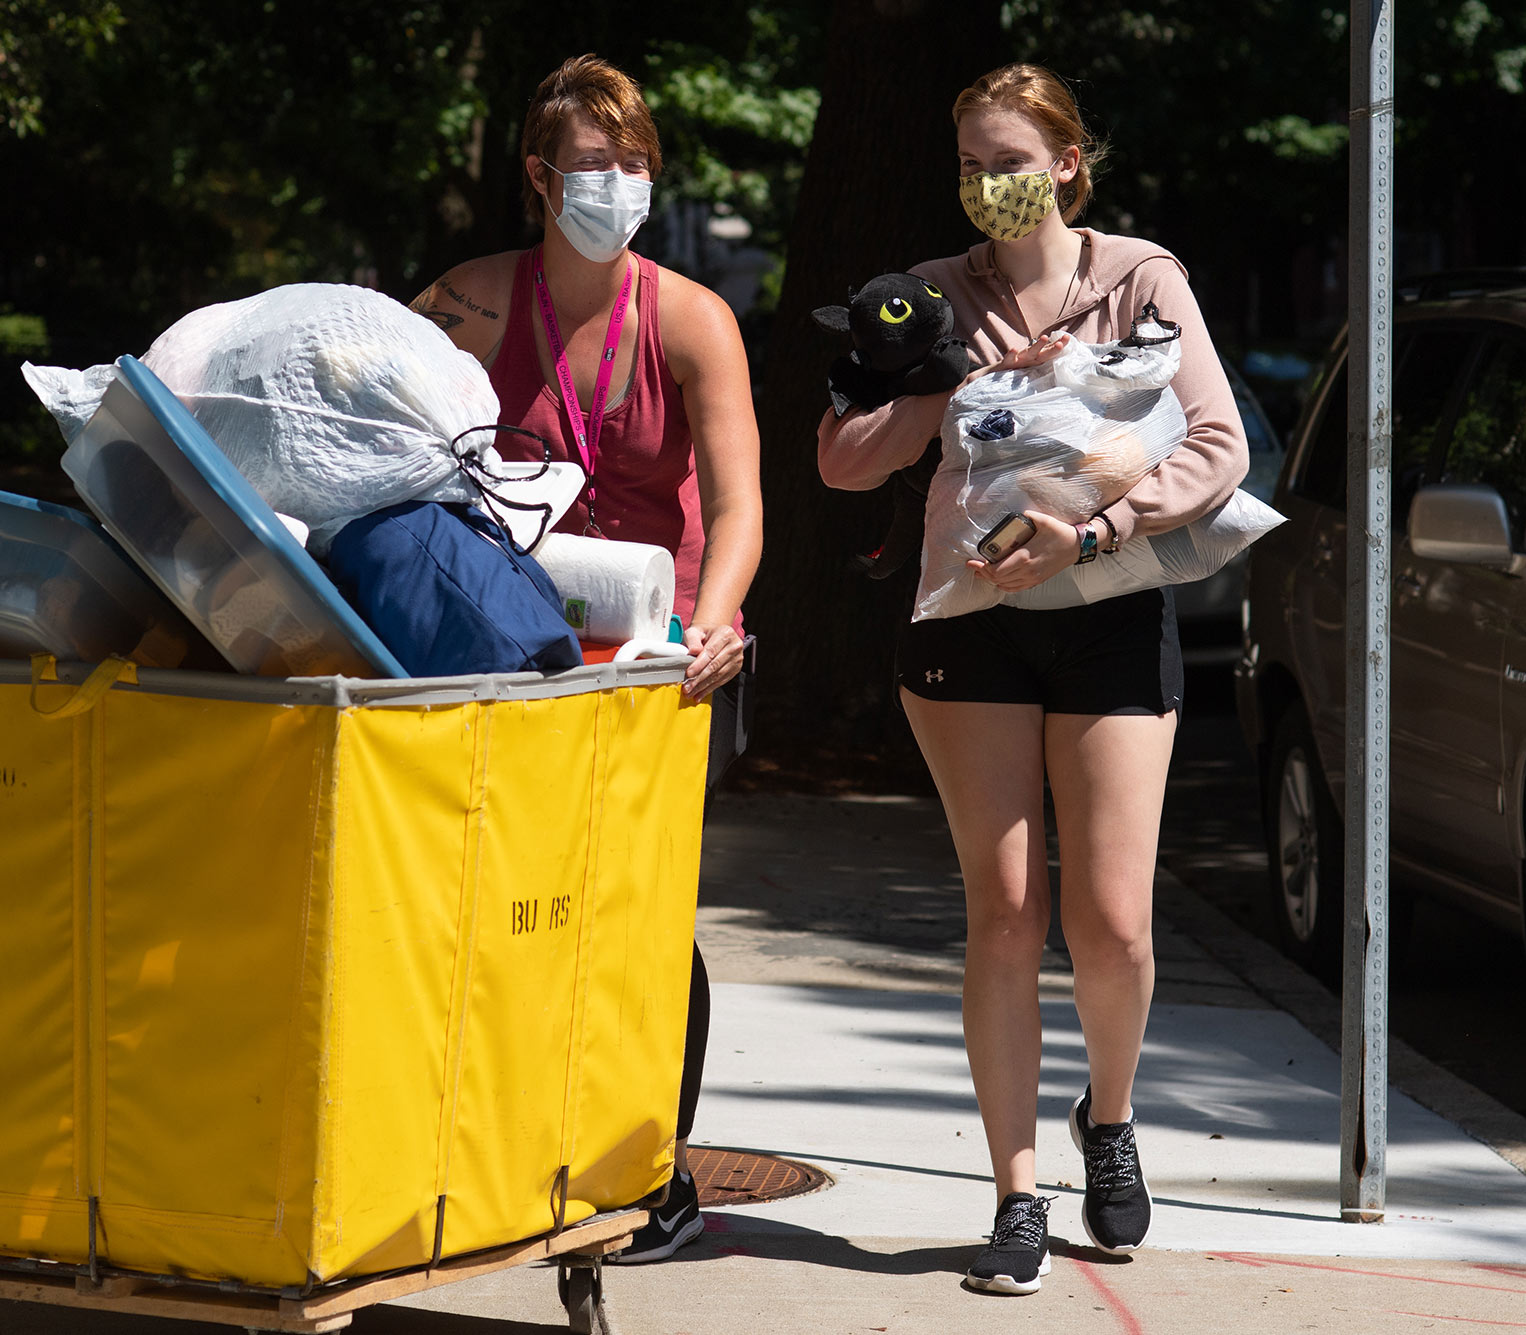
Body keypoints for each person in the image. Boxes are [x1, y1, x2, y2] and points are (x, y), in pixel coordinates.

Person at [816, 63, 1246, 1295]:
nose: (984, 186)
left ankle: (1105, 1121)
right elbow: (841, 462)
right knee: (1003, 916)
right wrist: (949, 382)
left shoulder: (1138, 279)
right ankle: (1014, 1190)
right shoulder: (923, 297)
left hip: (1108, 608)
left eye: (1005, 160)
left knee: (1108, 927)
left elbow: (1217, 445)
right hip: (969, 621)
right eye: (965, 165)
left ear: (1064, 161)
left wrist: (1099, 532)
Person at [410, 53, 763, 1263]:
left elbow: (738, 499)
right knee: (495, 904)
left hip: (660, 664)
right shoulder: (461, 303)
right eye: (590, 166)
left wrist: (715, 622)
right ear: (538, 177)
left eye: (633, 165)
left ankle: (659, 1173)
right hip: (502, 652)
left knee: (641, 914)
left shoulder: (689, 318)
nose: (615, 184)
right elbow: (381, 455)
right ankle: (503, 1155)